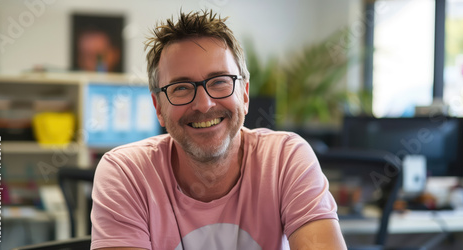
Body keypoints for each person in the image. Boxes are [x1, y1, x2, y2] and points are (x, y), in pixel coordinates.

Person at [91, 10, 346, 250]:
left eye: (220, 82)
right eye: (181, 87)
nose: (204, 105)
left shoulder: (285, 159)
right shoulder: (126, 173)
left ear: (244, 95)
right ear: (158, 107)